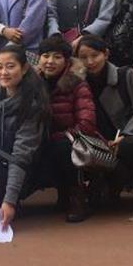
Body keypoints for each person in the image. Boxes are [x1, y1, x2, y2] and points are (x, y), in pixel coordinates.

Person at [76, 35, 133, 219]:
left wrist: (125, 134)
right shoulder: (77, 81)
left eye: (95, 55)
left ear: (106, 54)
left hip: (127, 136)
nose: (90, 62)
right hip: (96, 140)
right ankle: (85, 193)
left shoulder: (125, 75)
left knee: (132, 145)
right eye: (83, 57)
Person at [0, 43, 48, 230]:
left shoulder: (32, 106)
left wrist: (9, 202)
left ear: (24, 68)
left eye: (10, 66)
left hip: (23, 167)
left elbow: (21, 156)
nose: (3, 72)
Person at [36, 36, 97, 222]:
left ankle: (77, 198)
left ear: (67, 60)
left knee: (61, 147)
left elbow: (87, 124)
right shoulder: (33, 83)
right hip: (41, 140)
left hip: (72, 142)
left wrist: (63, 136)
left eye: (57, 57)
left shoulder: (77, 84)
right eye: (46, 56)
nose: (50, 61)